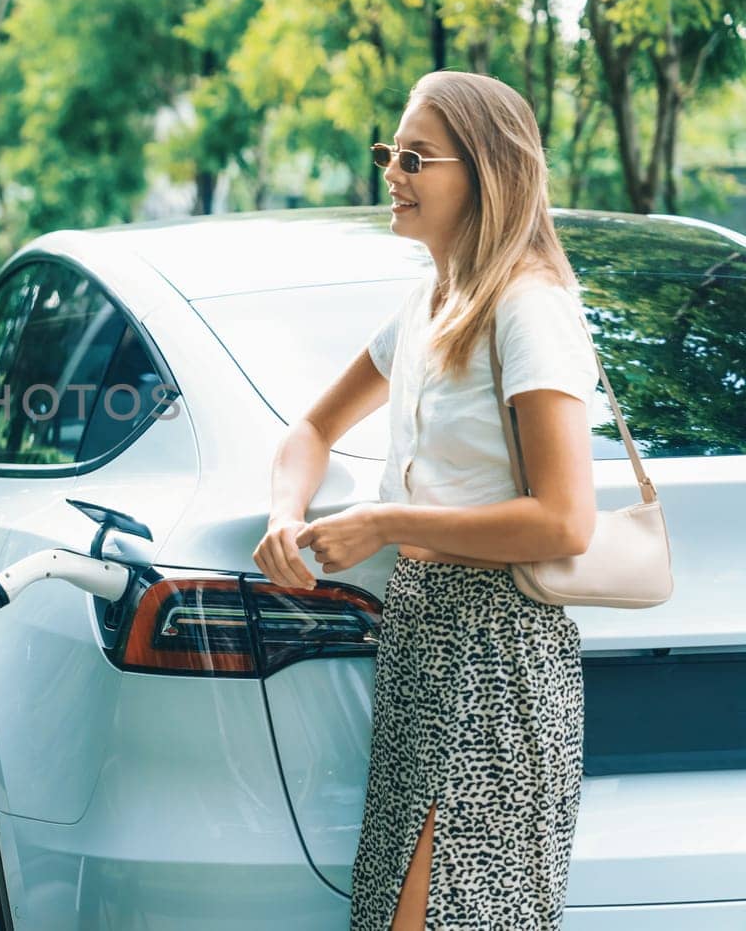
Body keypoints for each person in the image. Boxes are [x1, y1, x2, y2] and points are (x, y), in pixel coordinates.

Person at [253, 70, 596, 930]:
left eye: (415, 157)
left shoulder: (528, 307)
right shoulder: (428, 304)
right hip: (420, 637)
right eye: (389, 152)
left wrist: (384, 522)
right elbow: (309, 431)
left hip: (498, 651)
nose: (392, 173)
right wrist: (284, 519)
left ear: (484, 173)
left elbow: (565, 519)